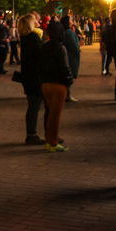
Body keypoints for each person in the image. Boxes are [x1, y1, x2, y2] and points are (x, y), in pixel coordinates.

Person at [39, 21, 74, 152]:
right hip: (58, 84)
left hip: (46, 83)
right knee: (55, 114)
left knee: (50, 113)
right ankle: (53, 142)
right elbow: (65, 68)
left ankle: (49, 139)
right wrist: (69, 81)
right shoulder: (60, 48)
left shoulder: (45, 47)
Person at [18, 15, 45, 145]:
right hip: (35, 77)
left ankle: (31, 134)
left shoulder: (25, 38)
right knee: (35, 107)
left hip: (28, 77)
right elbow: (41, 56)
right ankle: (32, 134)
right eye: (35, 19)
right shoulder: (33, 38)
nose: (37, 21)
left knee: (32, 106)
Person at [60, 16, 80, 103]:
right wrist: (77, 51)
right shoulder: (69, 32)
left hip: (67, 55)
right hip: (71, 56)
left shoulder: (64, 32)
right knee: (69, 74)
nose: (72, 21)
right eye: (71, 20)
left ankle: (66, 94)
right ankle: (68, 95)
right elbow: (74, 46)